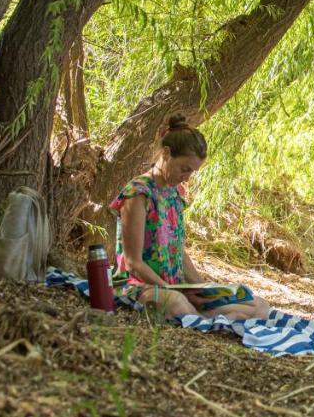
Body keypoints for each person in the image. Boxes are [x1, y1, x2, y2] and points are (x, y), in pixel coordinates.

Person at [109, 114, 272, 320]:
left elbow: (178, 252)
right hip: (140, 284)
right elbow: (133, 263)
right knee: (177, 303)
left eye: (192, 172)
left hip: (176, 286)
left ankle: (206, 315)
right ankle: (208, 318)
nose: (186, 177)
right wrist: (173, 289)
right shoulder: (138, 194)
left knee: (261, 306)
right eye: (184, 169)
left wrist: (201, 288)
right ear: (166, 154)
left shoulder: (175, 194)